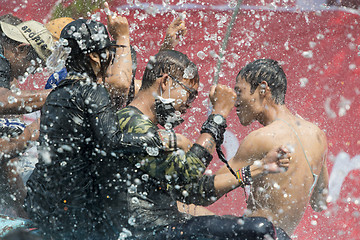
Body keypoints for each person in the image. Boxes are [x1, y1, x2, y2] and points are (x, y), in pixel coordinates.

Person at [98, 50, 291, 239]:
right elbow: (188, 171)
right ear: (165, 82)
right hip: (147, 232)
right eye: (189, 94)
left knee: (263, 230)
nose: (188, 105)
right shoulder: (131, 122)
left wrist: (259, 168)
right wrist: (218, 115)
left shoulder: (146, 129)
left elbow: (194, 192)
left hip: (165, 227)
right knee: (263, 230)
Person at [23, 16, 176, 239]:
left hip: (43, 203)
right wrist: (163, 141)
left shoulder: (56, 94)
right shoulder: (91, 91)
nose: (111, 59)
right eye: (108, 52)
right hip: (78, 211)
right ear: (95, 56)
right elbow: (112, 141)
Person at [216, 59, 329, 235]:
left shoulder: (261, 138)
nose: (235, 103)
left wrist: (216, 116)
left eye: (239, 92)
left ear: (263, 89)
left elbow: (207, 189)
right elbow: (319, 202)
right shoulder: (317, 135)